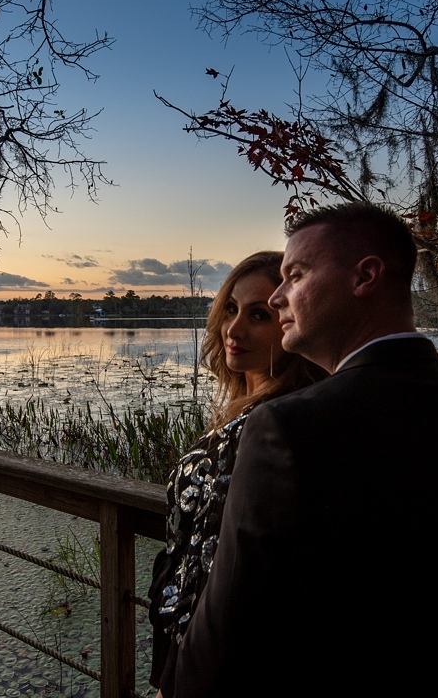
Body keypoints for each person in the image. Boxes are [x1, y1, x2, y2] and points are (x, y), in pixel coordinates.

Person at [173, 203, 438, 697]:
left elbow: (226, 627)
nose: (280, 296)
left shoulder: (284, 428)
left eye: (296, 275)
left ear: (366, 276)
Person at [148, 251, 325, 697]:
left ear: (291, 324)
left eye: (259, 315)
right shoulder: (239, 413)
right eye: (230, 309)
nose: (234, 329)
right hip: (183, 626)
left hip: (225, 653)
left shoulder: (282, 422)